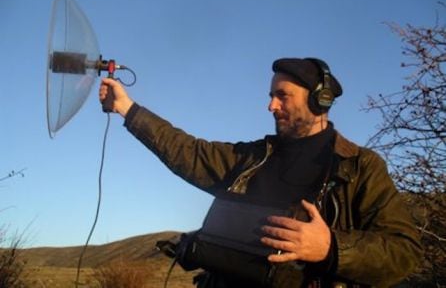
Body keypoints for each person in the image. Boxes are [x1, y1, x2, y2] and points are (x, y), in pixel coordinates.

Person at [99, 57, 422, 287]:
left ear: (319, 100)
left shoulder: (360, 166)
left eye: (283, 96)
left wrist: (331, 248)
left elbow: (403, 252)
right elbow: (189, 151)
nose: (271, 106)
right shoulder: (252, 157)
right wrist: (127, 109)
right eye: (271, 96)